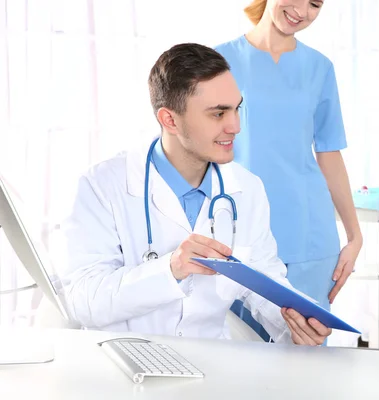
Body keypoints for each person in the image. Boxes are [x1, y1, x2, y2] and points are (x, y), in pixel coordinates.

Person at [58, 43, 331, 346]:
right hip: (123, 366)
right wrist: (170, 268)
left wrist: (294, 322)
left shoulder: (246, 189)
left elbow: (263, 281)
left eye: (236, 108)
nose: (236, 126)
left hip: (210, 366)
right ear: (169, 120)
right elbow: (83, 301)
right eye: (218, 114)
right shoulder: (103, 185)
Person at [215, 0, 362, 341]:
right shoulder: (218, 61)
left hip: (309, 236)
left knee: (306, 358)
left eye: (315, 4)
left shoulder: (320, 68)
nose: (302, 10)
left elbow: (329, 153)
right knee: (241, 362)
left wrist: (354, 236)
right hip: (240, 235)